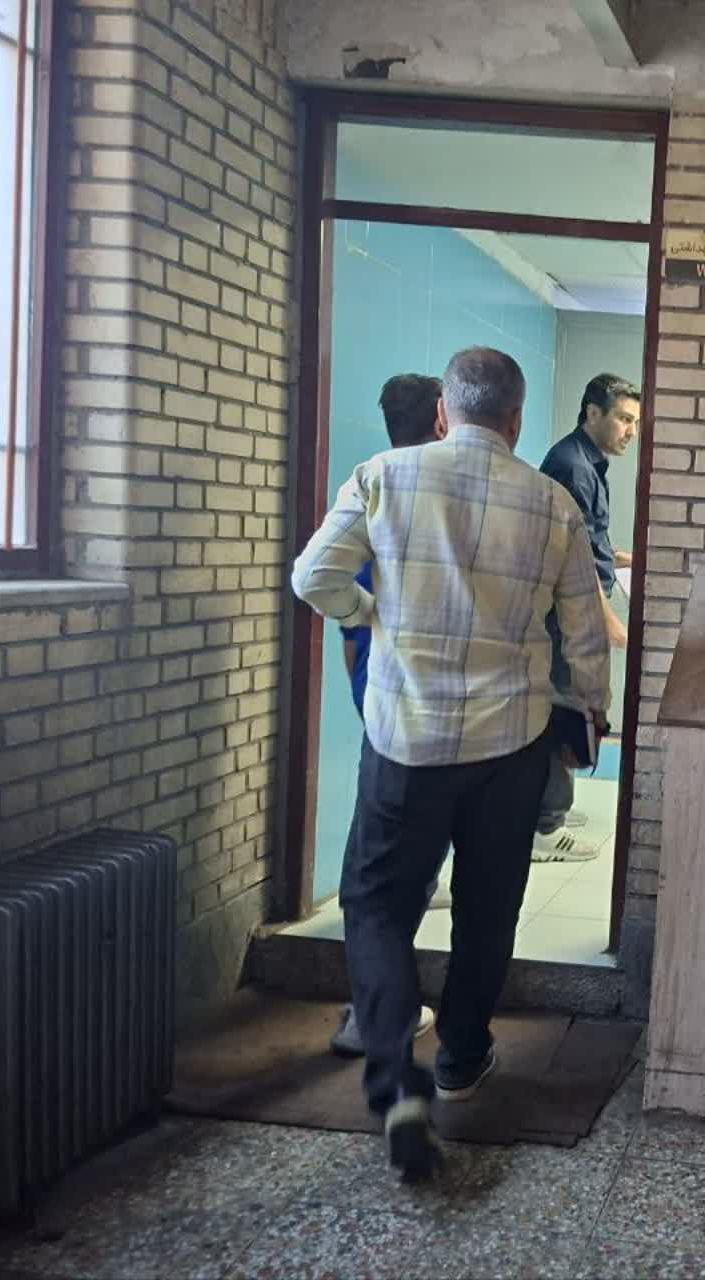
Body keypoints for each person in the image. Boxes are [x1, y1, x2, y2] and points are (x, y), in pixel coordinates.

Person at [291, 347, 612, 1179]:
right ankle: (463, 1058)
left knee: (377, 903)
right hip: (511, 742)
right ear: (516, 418)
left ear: (444, 411)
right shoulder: (552, 502)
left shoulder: (382, 477)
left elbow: (313, 578)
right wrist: (592, 710)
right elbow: (584, 631)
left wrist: (369, 613)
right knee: (488, 905)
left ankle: (394, 1078)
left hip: (407, 738)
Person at [329, 374, 444, 1060]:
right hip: (448, 716)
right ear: (442, 419)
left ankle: (376, 1011)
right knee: (386, 877)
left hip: (387, 708)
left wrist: (363, 637)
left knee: (374, 874)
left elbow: (338, 603)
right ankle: (379, 1016)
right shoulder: (438, 495)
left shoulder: (370, 487)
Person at [534, 373, 640, 862]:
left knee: (572, 704)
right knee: (566, 707)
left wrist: (619, 557)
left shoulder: (587, 462)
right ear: (592, 413)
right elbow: (570, 558)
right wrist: (607, 620)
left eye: (634, 422)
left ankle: (551, 808)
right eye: (623, 419)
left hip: (573, 610)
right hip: (568, 615)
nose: (630, 431)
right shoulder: (574, 467)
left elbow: (586, 536)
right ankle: (545, 828)